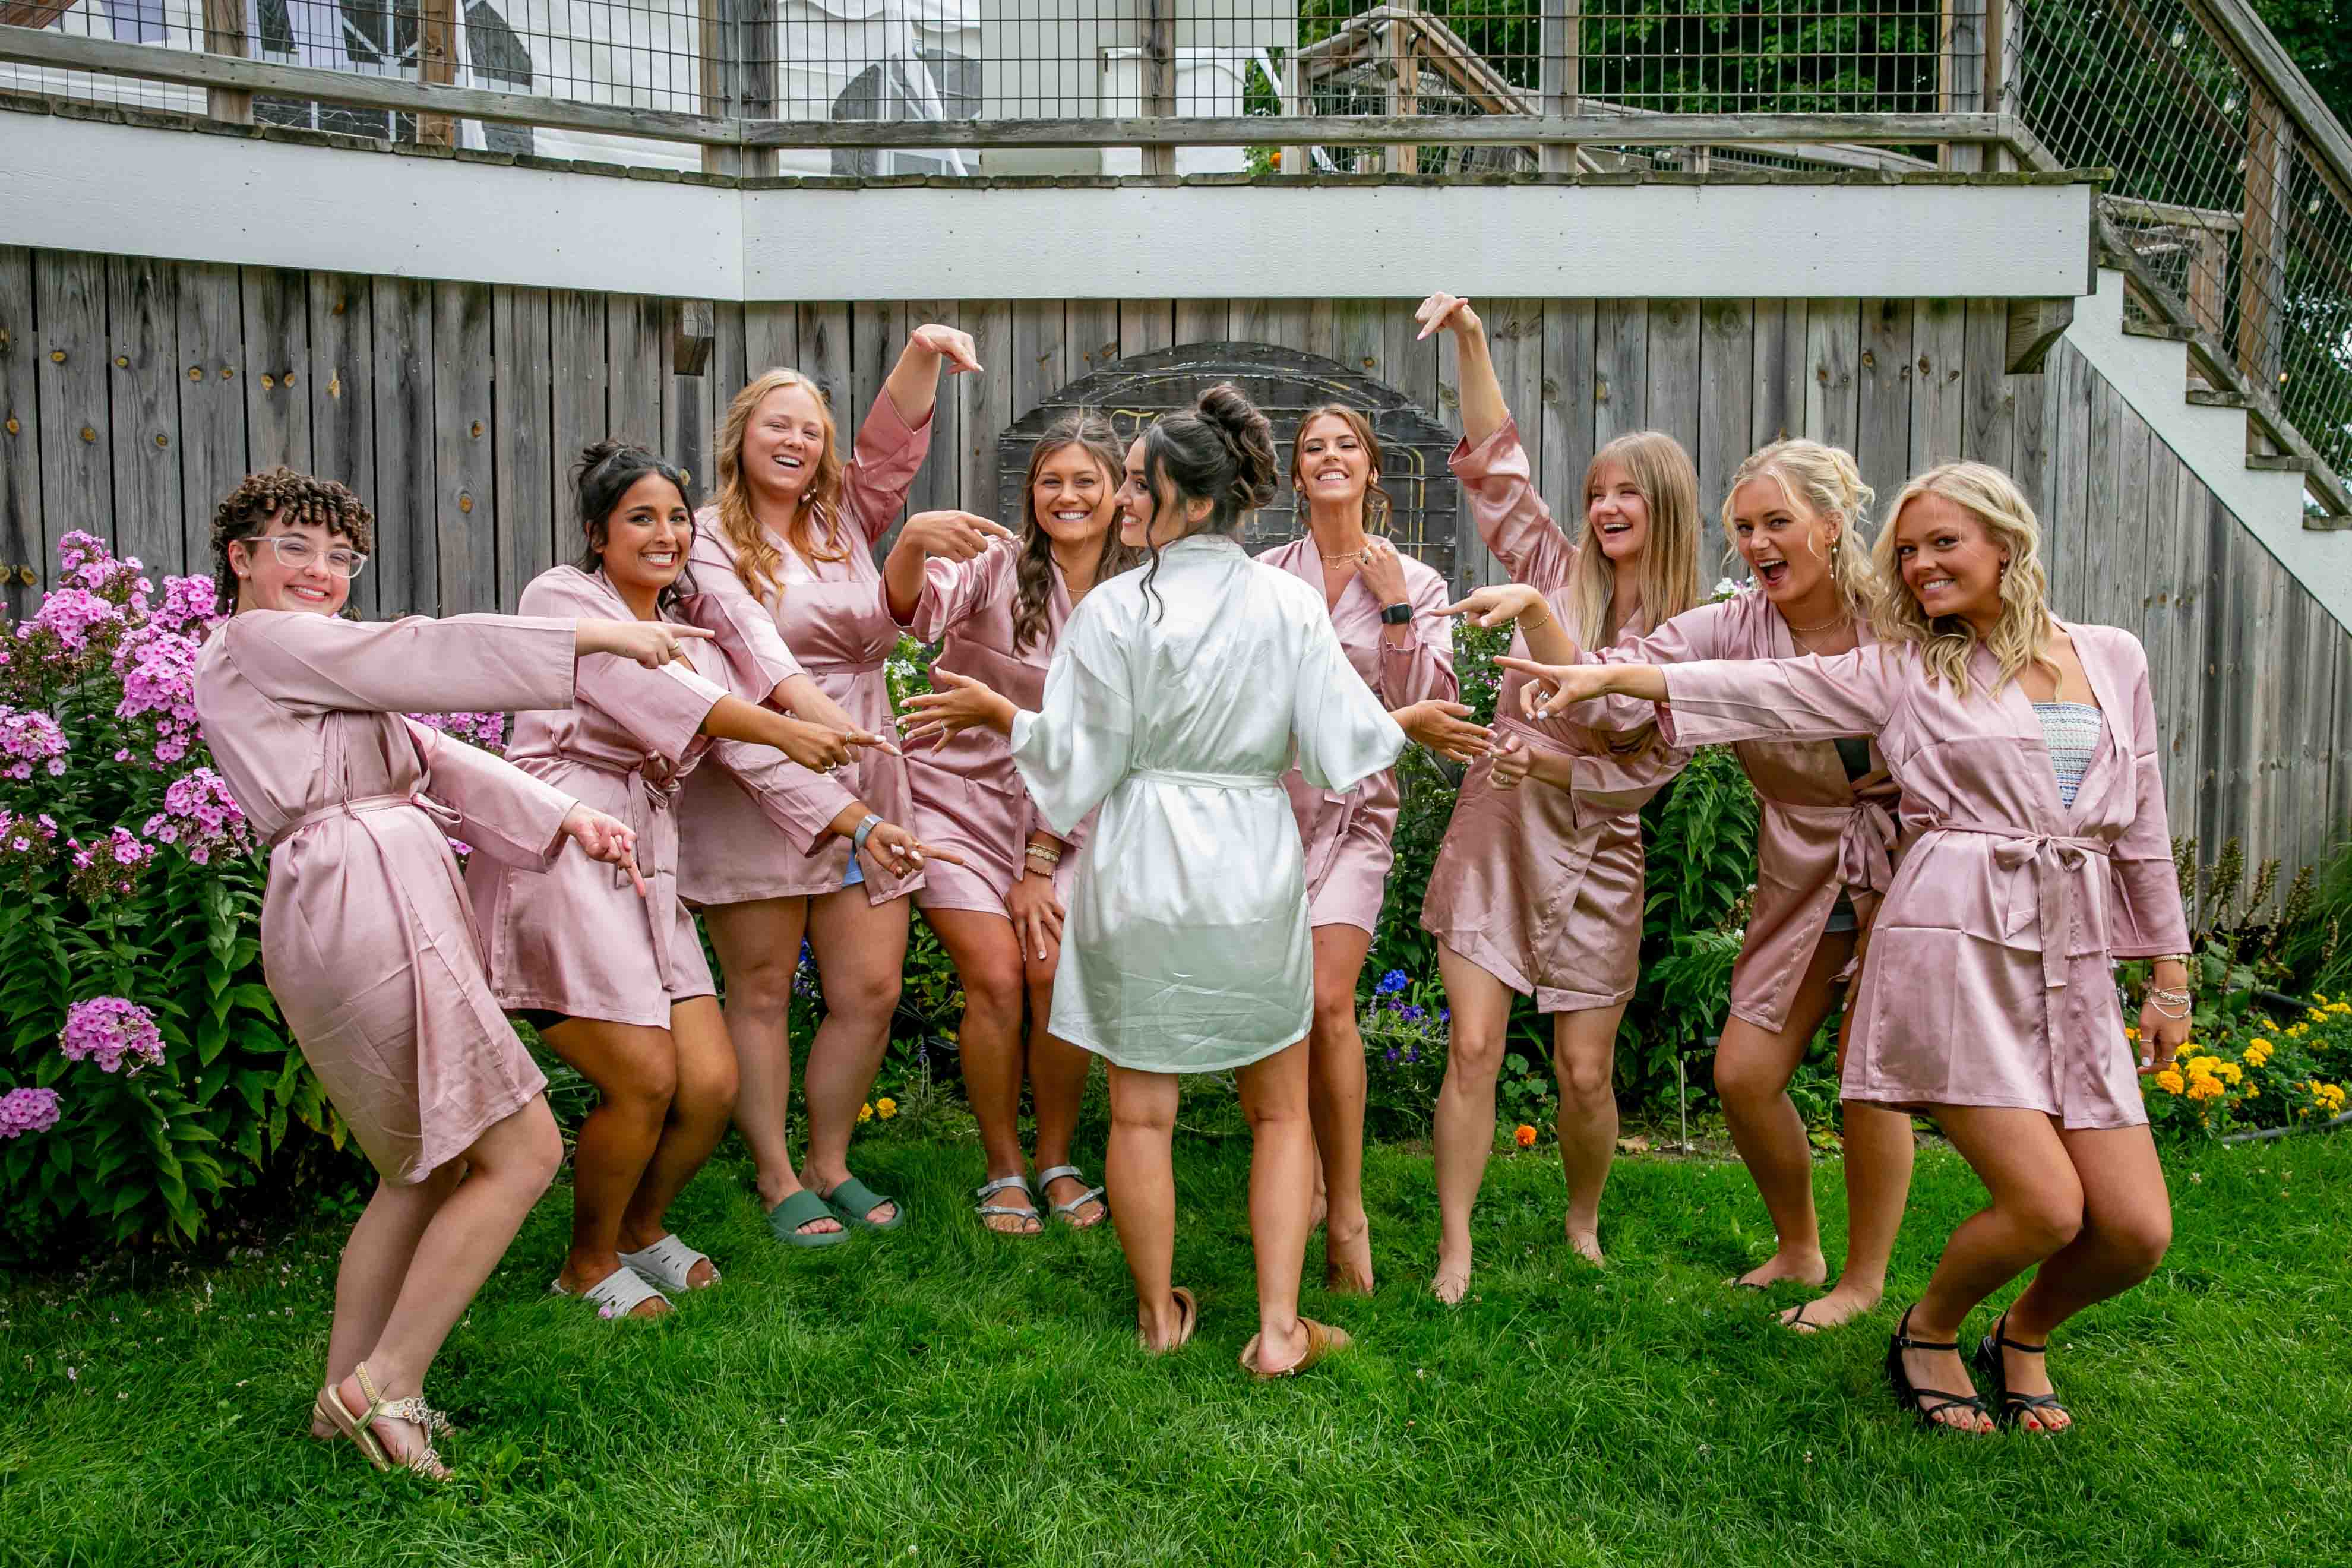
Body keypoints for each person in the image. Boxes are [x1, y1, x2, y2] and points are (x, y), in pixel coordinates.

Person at [1506, 460, 2192, 1433]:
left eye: (1944, 544)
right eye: (1908, 551)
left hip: (2065, 950)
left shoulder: (2109, 654)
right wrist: (1617, 671)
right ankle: (1925, 1326)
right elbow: (1774, 688)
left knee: (2134, 1230)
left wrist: (2170, 969)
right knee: (2039, 1204)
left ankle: (2021, 1333)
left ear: (2010, 542)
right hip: (1941, 929)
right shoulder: (1909, 665)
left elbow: (2144, 817)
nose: (1919, 567)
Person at [900, 385, 1405, 1377]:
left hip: (1138, 864)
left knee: (1142, 1110)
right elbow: (1350, 747)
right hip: (1252, 865)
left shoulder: (1115, 611)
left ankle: (1157, 1316)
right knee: (1278, 1108)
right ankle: (1277, 1327)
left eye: (1139, 484)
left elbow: (1076, 762)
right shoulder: (1290, 603)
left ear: (1198, 501)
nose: (1126, 499)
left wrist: (1003, 718)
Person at [192, 467, 683, 1477]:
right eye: (294, 547)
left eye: (340, 556)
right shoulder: (260, 640)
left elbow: (431, 750)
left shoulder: (311, 665)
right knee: (524, 1150)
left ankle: (344, 1398)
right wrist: (592, 634)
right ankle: (388, 1385)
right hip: (367, 892)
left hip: (359, 889)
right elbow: (417, 650)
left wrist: (566, 815)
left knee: (421, 1163)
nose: (321, 571)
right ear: (240, 559)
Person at [1447, 439, 1916, 1332]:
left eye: (1778, 523)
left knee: (1872, 1076)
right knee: (1744, 1074)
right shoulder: (1730, 624)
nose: (1759, 543)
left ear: (1830, 525)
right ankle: (1799, 1246)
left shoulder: (1893, 617)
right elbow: (1625, 705)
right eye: (1745, 528)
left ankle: (1860, 1281)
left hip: (1910, 859)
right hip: (1803, 862)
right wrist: (1573, 653)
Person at [472, 442, 938, 1319]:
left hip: (645, 857)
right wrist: (787, 723)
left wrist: (865, 826)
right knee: (644, 1081)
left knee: (712, 1085)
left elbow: (745, 749)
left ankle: (642, 1228)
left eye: (678, 517)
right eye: (640, 518)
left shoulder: (697, 636)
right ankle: (584, 1261)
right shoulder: (563, 599)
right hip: (566, 845)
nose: (666, 533)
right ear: (596, 535)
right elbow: (670, 705)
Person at [1411, 291, 1701, 1298]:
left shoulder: (1691, 634)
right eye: (1597, 492)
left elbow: (1633, 745)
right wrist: (1474, 341)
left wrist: (1546, 757)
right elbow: (1499, 472)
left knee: (1584, 1075)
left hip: (1597, 855)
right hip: (1497, 835)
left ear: (1666, 510)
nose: (1607, 508)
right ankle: (1457, 1244)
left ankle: (1582, 1219)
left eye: (1630, 495)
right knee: (1476, 1047)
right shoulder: (1556, 567)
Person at [682, 324, 978, 1245]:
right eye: (778, 425)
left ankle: (831, 1160)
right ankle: (776, 1175)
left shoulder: (842, 520)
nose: (796, 442)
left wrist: (923, 350)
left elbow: (891, 454)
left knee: (870, 988)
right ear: (742, 437)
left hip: (864, 758)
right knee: (763, 987)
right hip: (759, 771)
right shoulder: (703, 539)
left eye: (810, 430)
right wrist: (818, 729)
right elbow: (753, 654)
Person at [883, 412, 1134, 1234]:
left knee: (1053, 971)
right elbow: (915, 613)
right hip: (957, 799)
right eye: (1051, 481)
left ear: (1116, 493)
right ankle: (1003, 1164)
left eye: (1085, 481)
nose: (1068, 495)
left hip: (1070, 819)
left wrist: (1040, 859)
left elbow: (1112, 745)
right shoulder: (997, 569)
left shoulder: (1139, 599)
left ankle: (1057, 1157)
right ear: (1031, 496)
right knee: (995, 976)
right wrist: (915, 543)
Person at [1256, 403, 1474, 1292]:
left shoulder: (1413, 579)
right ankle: (1296, 1176)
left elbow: (1436, 707)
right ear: (1297, 476)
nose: (1331, 457)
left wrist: (1391, 610)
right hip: (1267, 813)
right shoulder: (1266, 575)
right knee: (1272, 1006)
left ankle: (1346, 1210)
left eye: (1347, 444)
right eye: (1314, 448)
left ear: (1372, 469)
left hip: (1354, 815)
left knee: (1330, 1000)